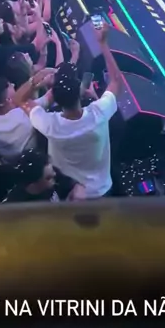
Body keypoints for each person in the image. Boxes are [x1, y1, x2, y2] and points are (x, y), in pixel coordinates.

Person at [29, 21, 121, 199]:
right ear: (80, 92)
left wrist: (36, 81)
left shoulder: (48, 124)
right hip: (101, 192)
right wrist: (103, 44)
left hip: (69, 193)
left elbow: (21, 101)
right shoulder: (99, 113)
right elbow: (116, 81)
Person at [3, 148, 85, 203]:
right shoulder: (16, 204)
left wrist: (78, 188)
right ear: (33, 184)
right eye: (48, 178)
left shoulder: (53, 174)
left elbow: (71, 183)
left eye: (53, 171)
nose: (54, 175)